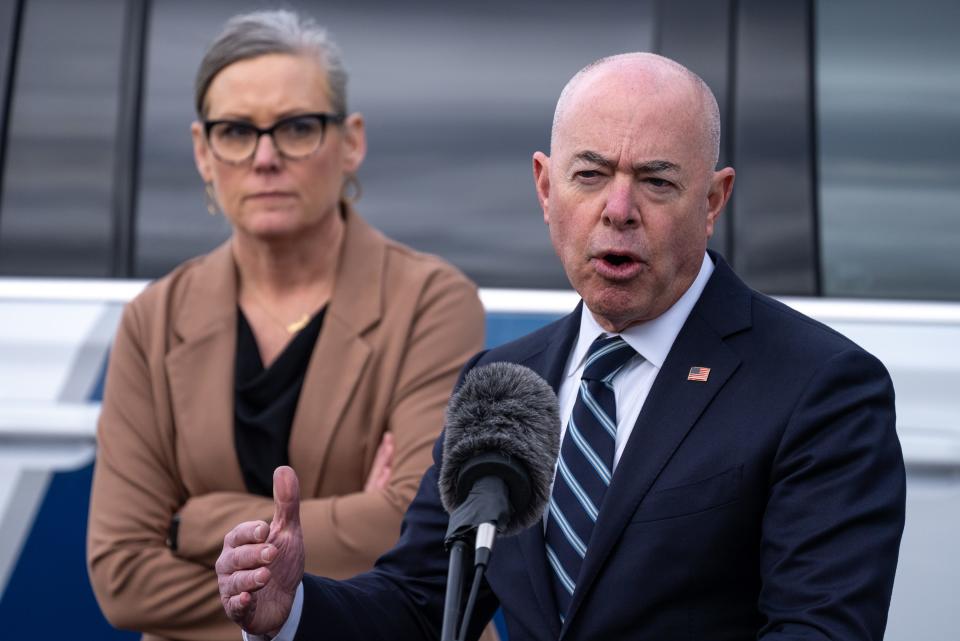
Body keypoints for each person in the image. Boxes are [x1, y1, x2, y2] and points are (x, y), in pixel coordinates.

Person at [216, 53, 906, 641]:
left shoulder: (820, 388)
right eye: (591, 174)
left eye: (657, 181)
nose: (618, 209)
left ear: (714, 200)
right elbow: (423, 601)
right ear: (546, 187)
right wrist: (292, 606)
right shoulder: (501, 384)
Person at [86, 10, 485, 641]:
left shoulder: (432, 302)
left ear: (350, 140)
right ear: (202, 151)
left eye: (297, 128)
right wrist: (322, 557)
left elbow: (414, 539)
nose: (265, 157)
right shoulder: (153, 320)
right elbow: (122, 576)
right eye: (236, 131)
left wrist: (190, 525)